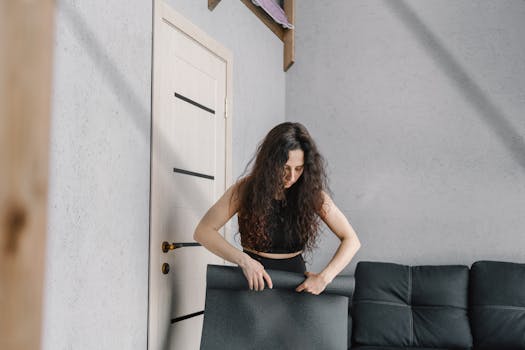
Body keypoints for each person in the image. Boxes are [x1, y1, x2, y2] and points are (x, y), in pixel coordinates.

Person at [194, 122, 361, 295]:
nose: (292, 176)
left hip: (293, 284)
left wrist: (324, 278)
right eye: (285, 168)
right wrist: (244, 261)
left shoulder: (312, 194)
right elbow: (203, 231)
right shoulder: (245, 189)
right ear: (271, 163)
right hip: (253, 280)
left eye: (299, 168)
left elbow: (352, 240)